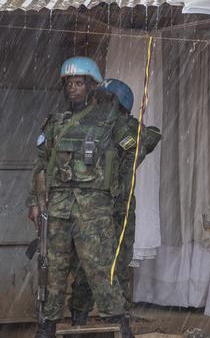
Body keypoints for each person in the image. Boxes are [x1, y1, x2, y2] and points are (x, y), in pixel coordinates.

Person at [26, 57, 133, 338]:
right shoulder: (55, 123)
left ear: (91, 86)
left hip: (94, 208)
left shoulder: (110, 119)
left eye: (79, 83)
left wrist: (117, 185)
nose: (73, 88)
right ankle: (47, 325)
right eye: (69, 84)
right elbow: (40, 164)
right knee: (53, 269)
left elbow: (134, 149)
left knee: (101, 267)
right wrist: (35, 202)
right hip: (58, 207)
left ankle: (120, 323)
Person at [68, 79, 161, 325]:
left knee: (107, 262)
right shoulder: (99, 127)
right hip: (100, 207)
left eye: (105, 100)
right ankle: (93, 315)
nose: (98, 103)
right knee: (94, 263)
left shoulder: (122, 130)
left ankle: (109, 317)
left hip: (110, 207)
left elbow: (148, 139)